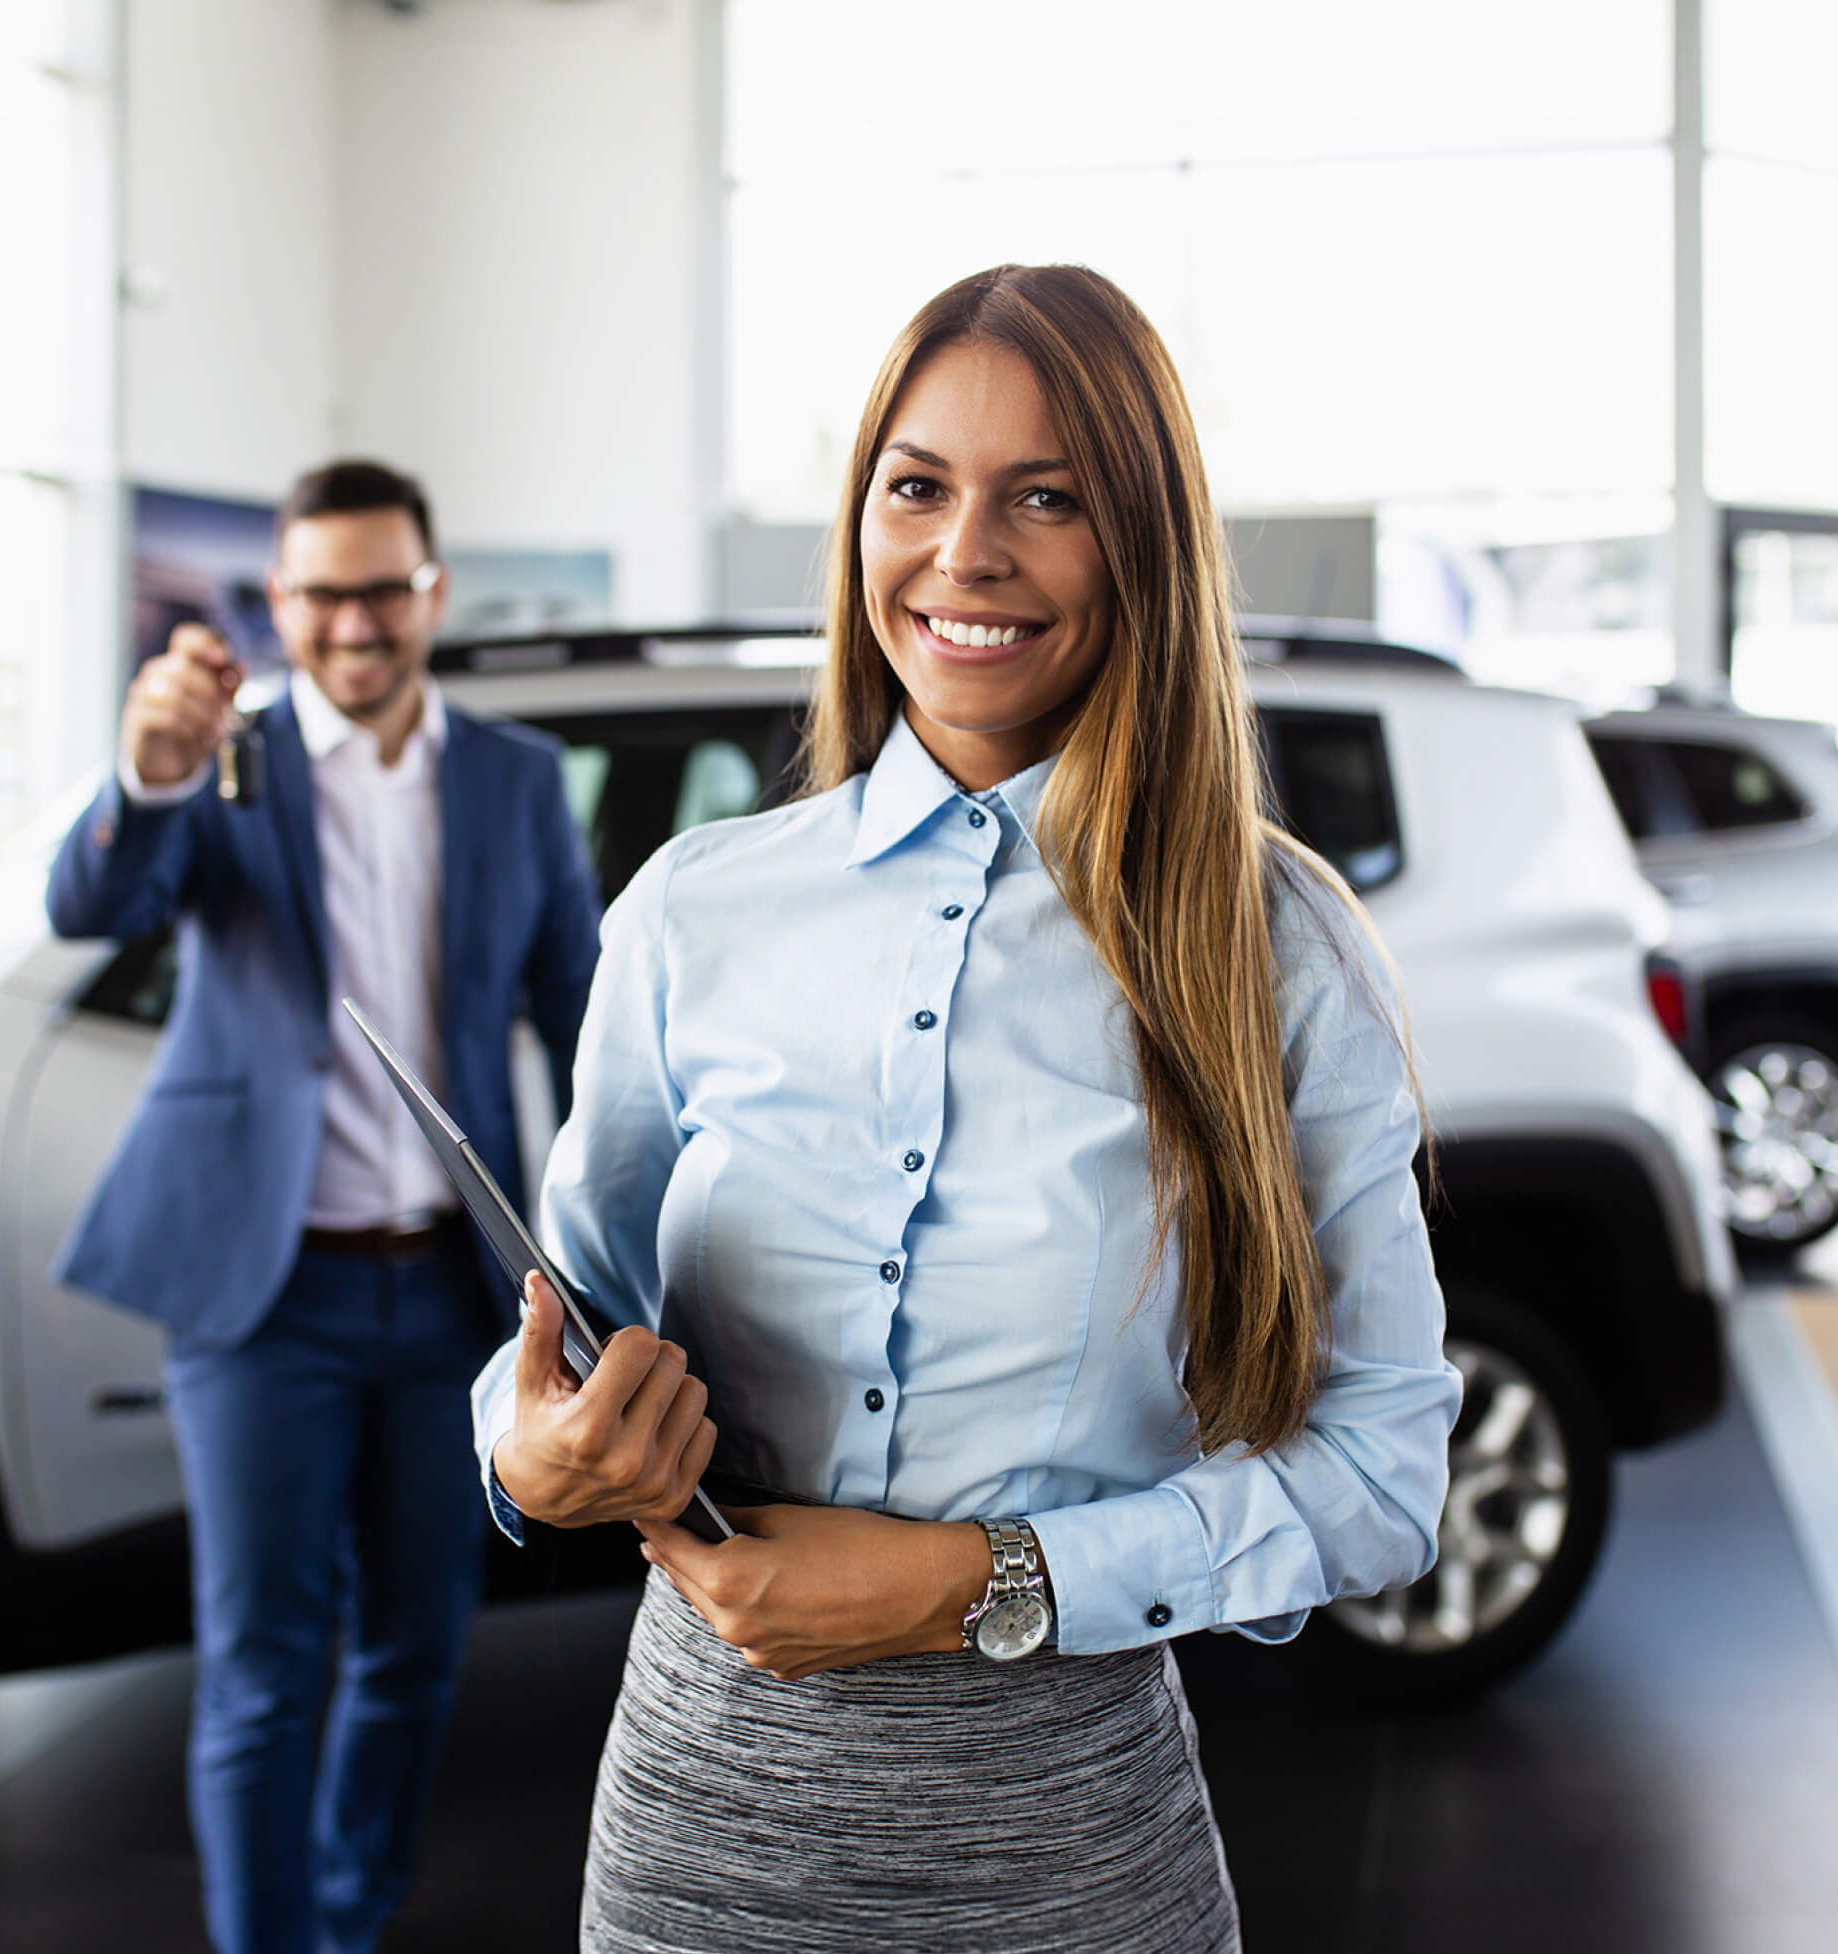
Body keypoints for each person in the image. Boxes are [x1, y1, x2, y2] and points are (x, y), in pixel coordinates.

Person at [473, 266, 1463, 1954]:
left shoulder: (1277, 951)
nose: (965, 553)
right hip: (698, 1845)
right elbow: (557, 1325)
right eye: (916, 484)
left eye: (1049, 497)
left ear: (1142, 538)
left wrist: (976, 1585)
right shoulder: (693, 910)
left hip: (1071, 1859)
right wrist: (532, 1447)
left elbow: (1381, 1472)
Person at [45, 459, 603, 1954]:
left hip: (450, 1302)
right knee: (260, 1663)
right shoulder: (221, 763)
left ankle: (347, 1920)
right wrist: (147, 773)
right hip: (262, 1294)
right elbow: (90, 906)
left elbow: (588, 1021)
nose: (353, 622)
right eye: (320, 593)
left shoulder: (515, 780)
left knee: (419, 1648)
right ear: (279, 605)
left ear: (429, 592)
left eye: (381, 587)